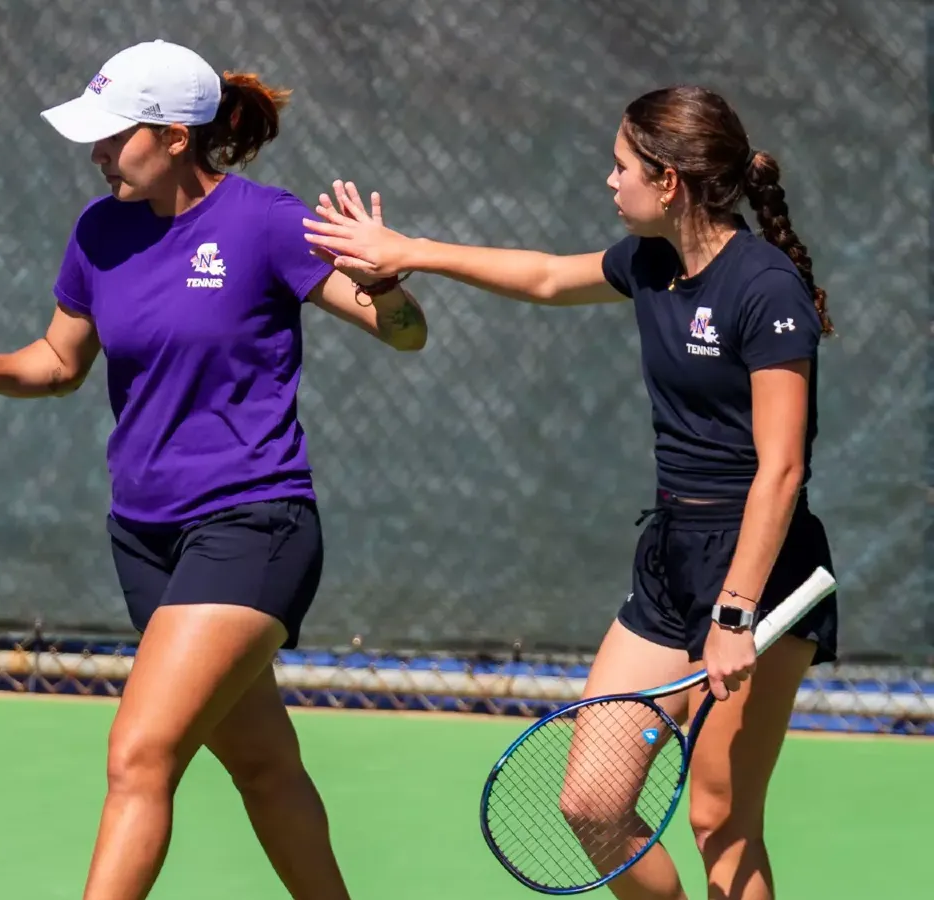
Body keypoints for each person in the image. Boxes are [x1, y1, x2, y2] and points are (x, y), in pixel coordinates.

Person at [304, 85, 838, 900]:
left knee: (719, 819)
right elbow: (549, 277)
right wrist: (410, 249)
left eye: (621, 165)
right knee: (591, 804)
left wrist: (734, 614)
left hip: (762, 571)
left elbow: (784, 468)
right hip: (670, 561)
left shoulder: (763, 288)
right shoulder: (653, 263)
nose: (608, 179)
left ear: (668, 181)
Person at [0, 38, 427, 900]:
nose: (96, 151)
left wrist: (387, 283)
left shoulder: (265, 222)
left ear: (177, 136)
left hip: (253, 524)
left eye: (115, 135)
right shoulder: (99, 230)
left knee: (138, 755)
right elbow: (57, 362)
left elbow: (404, 331)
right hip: (145, 539)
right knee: (265, 767)